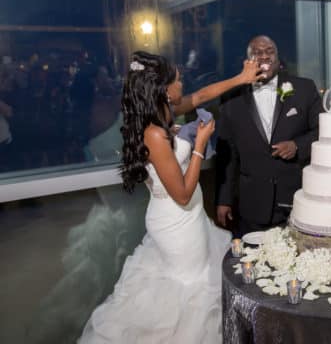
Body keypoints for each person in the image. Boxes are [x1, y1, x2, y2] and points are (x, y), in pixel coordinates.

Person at [78, 51, 260, 343]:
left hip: (190, 218)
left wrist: (241, 78)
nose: (182, 83)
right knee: (190, 293)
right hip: (176, 223)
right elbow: (183, 194)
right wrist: (199, 144)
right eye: (178, 80)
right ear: (164, 89)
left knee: (197, 286)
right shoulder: (153, 133)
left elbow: (201, 96)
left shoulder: (163, 112)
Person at [216, 35, 322, 237]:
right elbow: (227, 154)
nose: (264, 56)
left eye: (269, 51)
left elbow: (322, 131)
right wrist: (224, 199)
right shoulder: (231, 97)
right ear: (248, 62)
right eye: (257, 52)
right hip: (252, 203)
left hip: (298, 197)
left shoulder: (304, 89)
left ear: (278, 58)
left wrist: (297, 145)